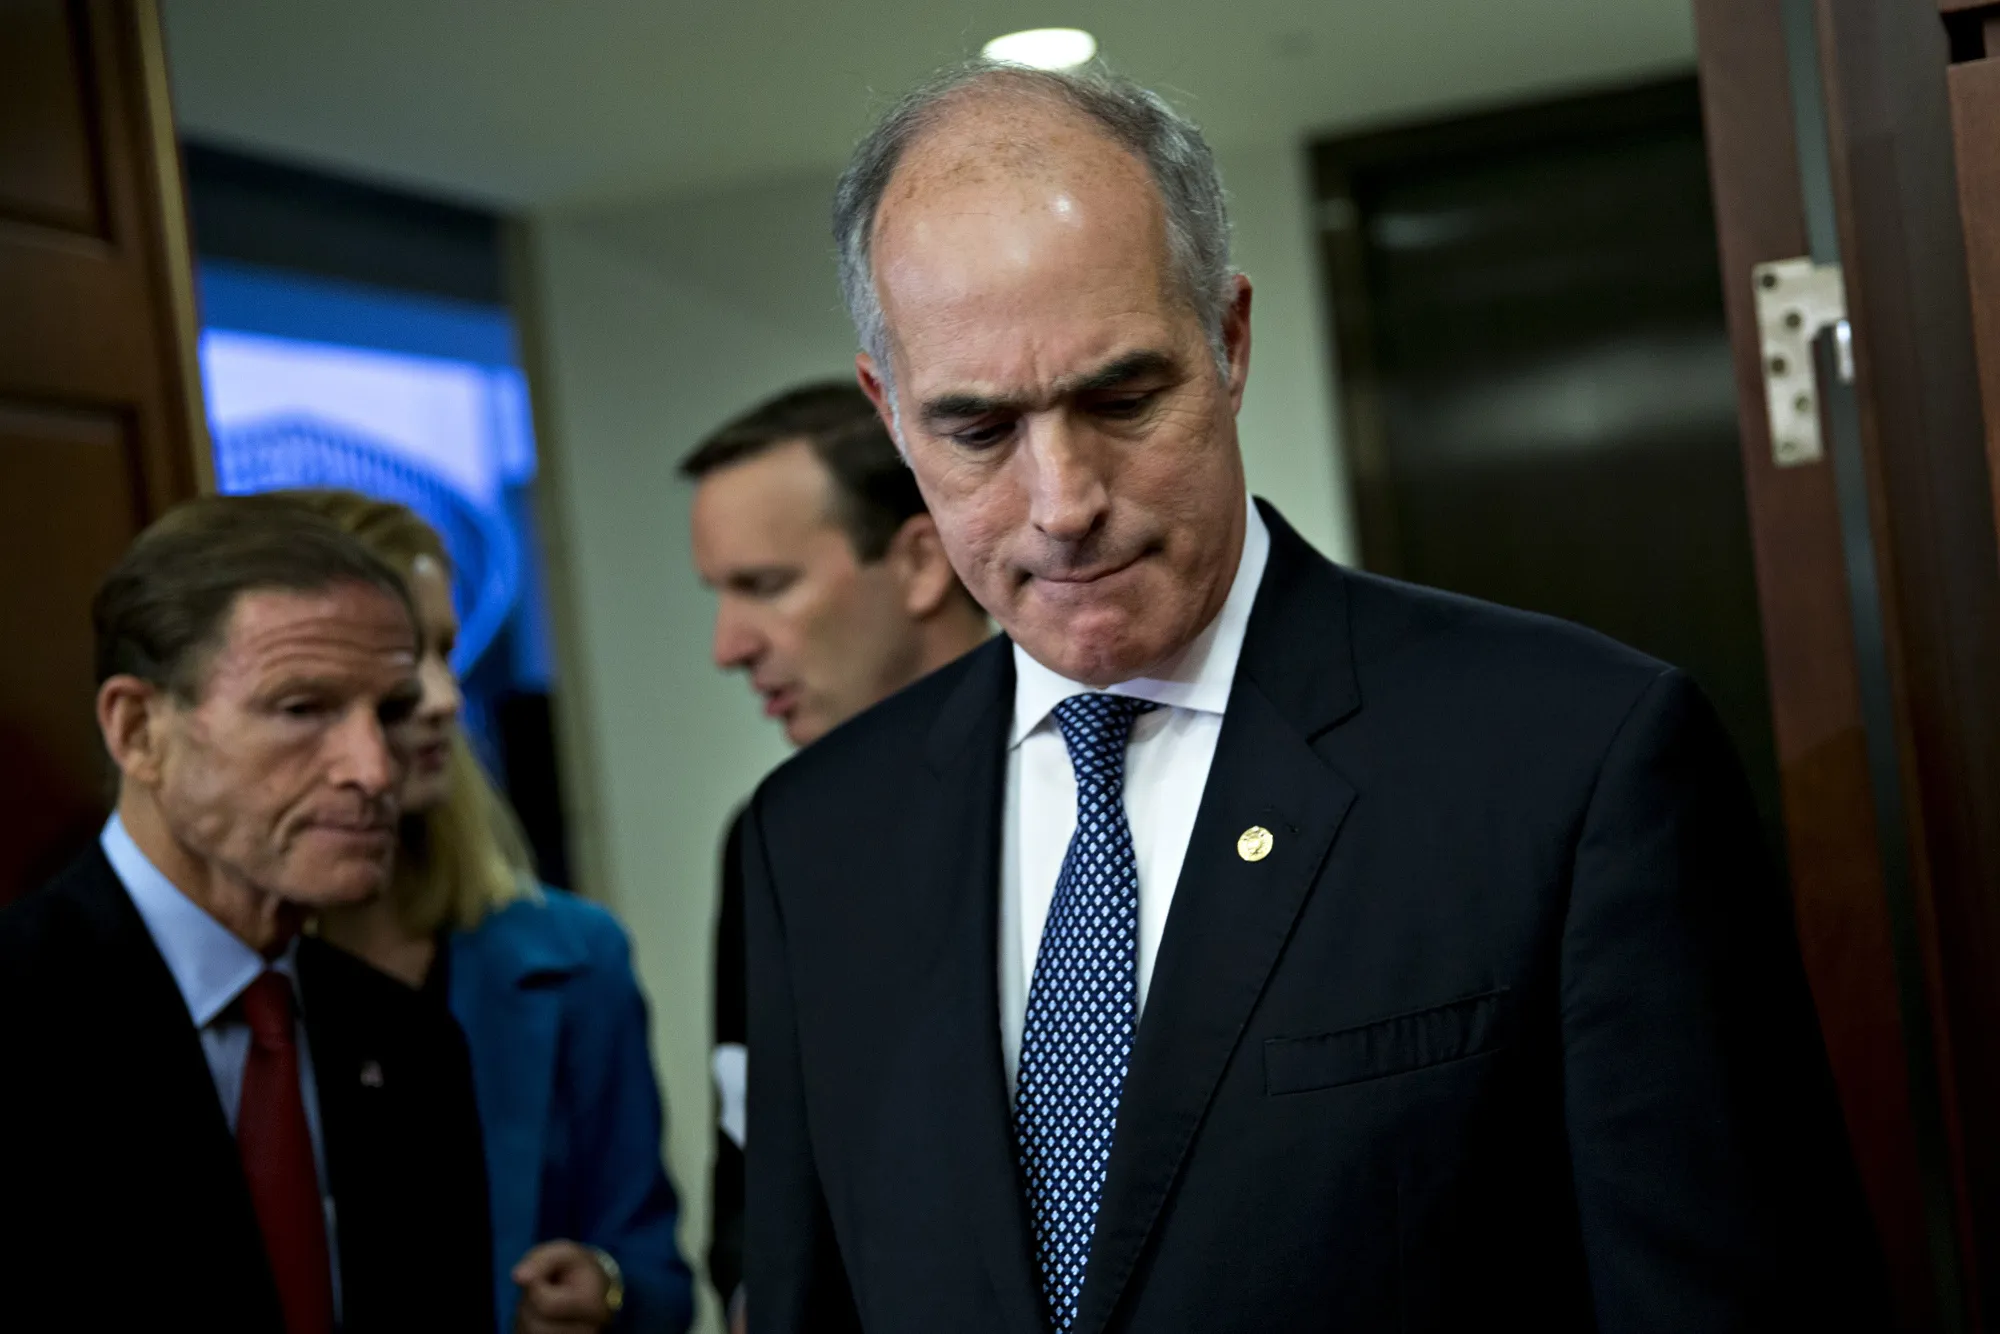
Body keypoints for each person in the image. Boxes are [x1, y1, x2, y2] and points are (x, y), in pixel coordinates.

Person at [742, 61, 1890, 1333]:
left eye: (1121, 399)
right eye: (976, 431)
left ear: (1226, 342)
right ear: (889, 412)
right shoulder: (815, 841)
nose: (1062, 502)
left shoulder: (1572, 762)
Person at [0, 494, 494, 1334]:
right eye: (303, 709)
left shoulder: (412, 1046)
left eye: (391, 711)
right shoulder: (23, 1009)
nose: (374, 769)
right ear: (138, 729)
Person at [289, 490, 695, 1334]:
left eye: (445, 649)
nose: (441, 694)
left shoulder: (574, 957)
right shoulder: (230, 981)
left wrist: (607, 1289)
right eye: (403, 659)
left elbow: (659, 1273)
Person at [681, 382, 990, 1324]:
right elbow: (748, 1168)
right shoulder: (773, 841)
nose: (728, 646)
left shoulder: (1097, 798)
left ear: (921, 562)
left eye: (766, 586)